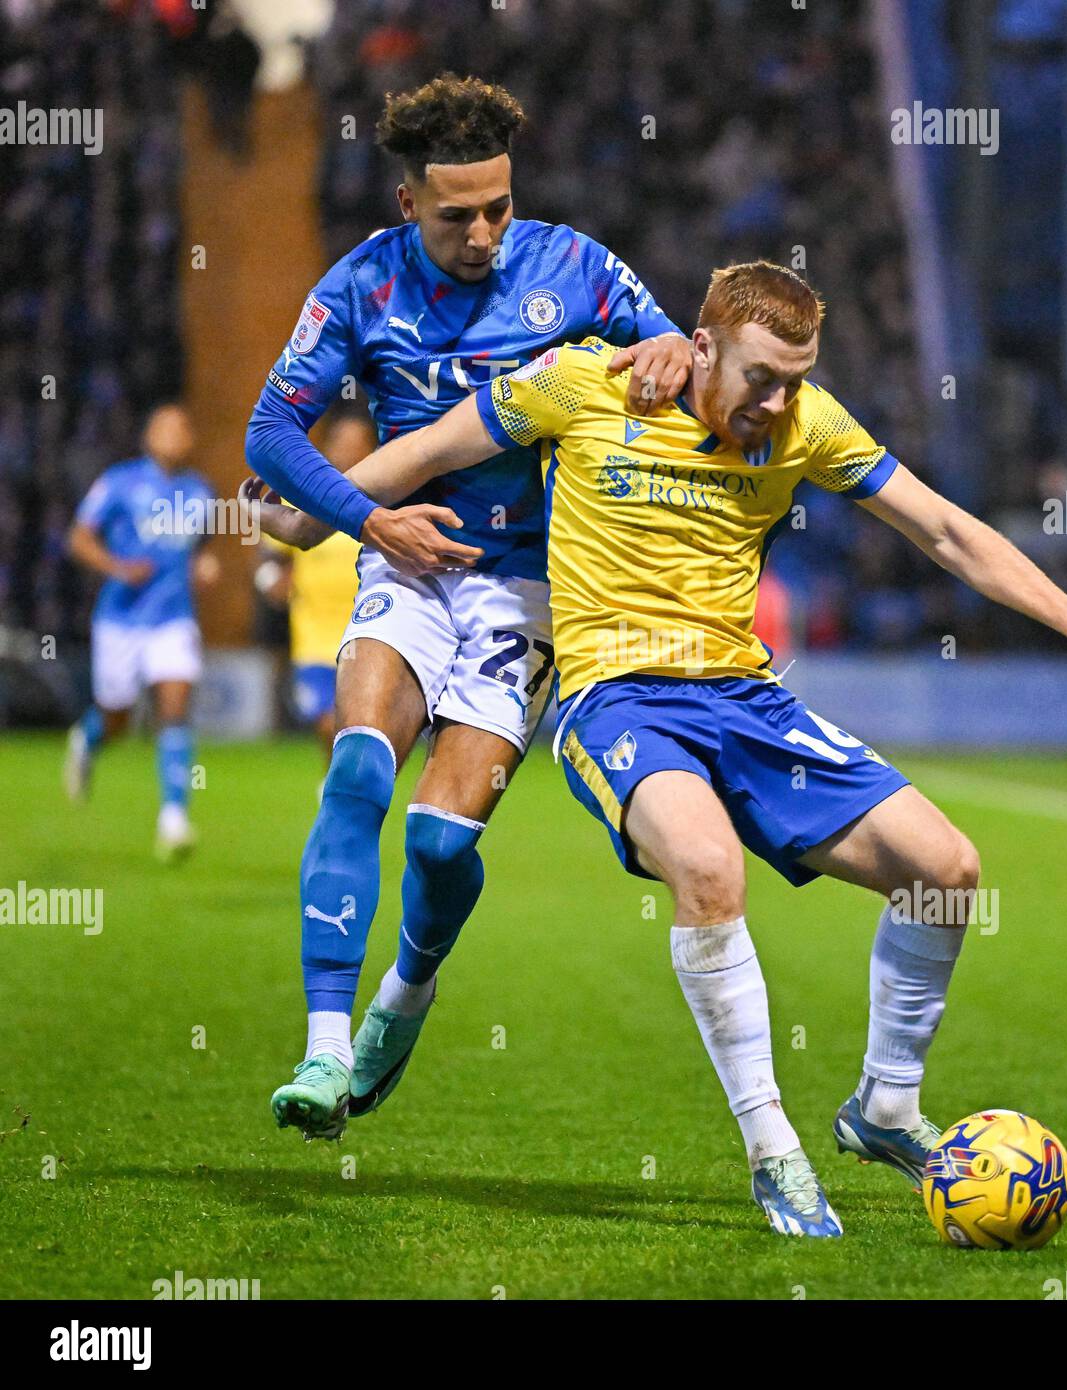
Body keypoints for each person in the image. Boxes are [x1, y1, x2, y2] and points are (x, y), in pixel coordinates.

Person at [252, 261, 1067, 1235]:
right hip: (614, 699)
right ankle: (774, 1150)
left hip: (744, 695)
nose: (778, 402)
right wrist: (308, 515)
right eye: (762, 377)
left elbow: (943, 530)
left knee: (946, 869)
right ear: (700, 349)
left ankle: (886, 1106)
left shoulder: (809, 424)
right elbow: (428, 448)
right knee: (707, 866)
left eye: (796, 378)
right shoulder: (582, 386)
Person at [243, 73, 693, 1140]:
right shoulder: (359, 287)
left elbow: (673, 345)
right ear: (409, 205)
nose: (486, 230)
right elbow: (270, 433)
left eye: (498, 205)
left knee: (442, 847)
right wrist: (368, 520)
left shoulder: (573, 264)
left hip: (530, 585)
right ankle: (321, 1045)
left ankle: (405, 994)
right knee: (359, 765)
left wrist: (677, 344)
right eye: (458, 214)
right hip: (406, 563)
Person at [64, 403, 218, 861]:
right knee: (119, 716)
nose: (176, 434)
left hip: (173, 617)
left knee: (174, 705)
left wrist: (203, 564)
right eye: (166, 426)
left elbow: (199, 549)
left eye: (183, 426)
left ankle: (174, 817)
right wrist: (115, 566)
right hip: (120, 618)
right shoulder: (120, 481)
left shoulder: (201, 492)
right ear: (148, 435)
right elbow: (78, 537)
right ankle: (87, 738)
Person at [257, 410, 370, 764]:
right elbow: (267, 560)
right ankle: (333, 780)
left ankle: (340, 788)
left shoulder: (386, 501)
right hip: (314, 637)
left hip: (368, 632)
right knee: (327, 722)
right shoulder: (301, 498)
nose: (349, 450)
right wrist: (271, 581)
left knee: (360, 723)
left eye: (358, 444)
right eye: (341, 442)